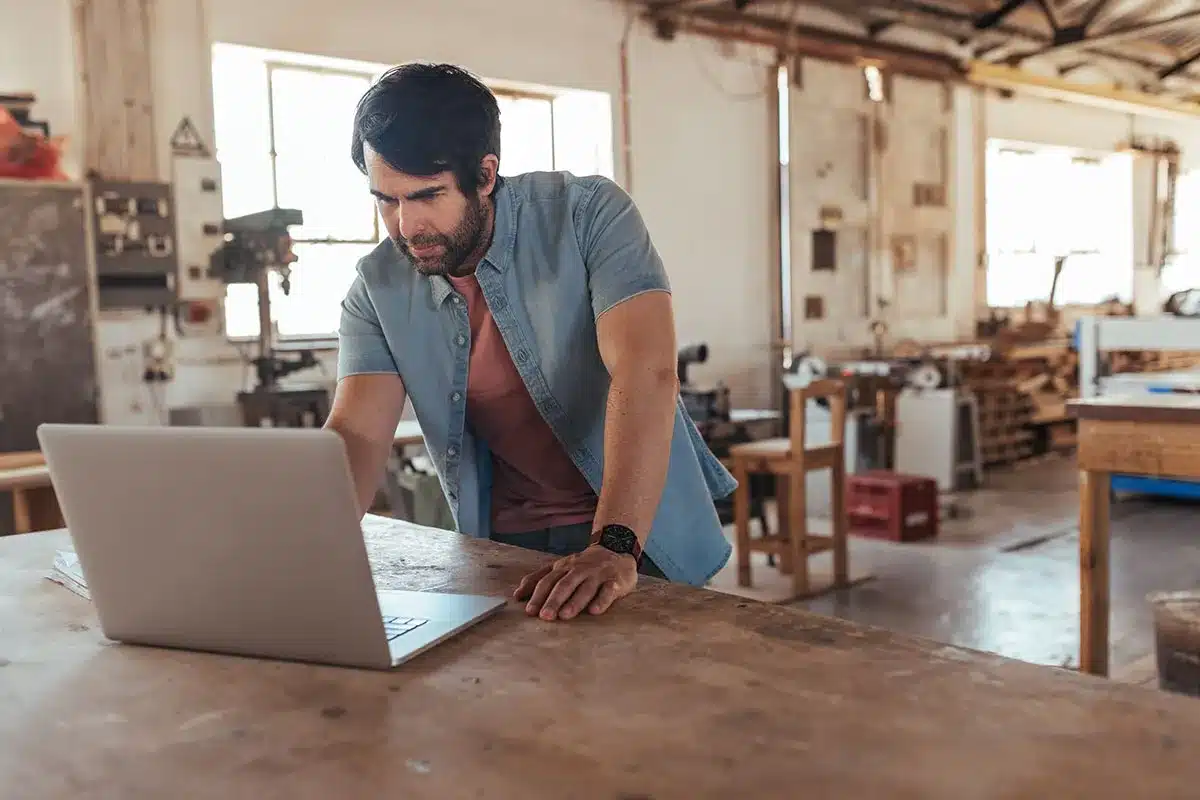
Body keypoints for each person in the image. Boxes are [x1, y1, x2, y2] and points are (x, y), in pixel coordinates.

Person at [325, 62, 735, 622]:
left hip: (638, 536)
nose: (405, 225)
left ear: (486, 175)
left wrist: (614, 546)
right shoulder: (377, 287)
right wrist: (304, 553)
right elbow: (356, 434)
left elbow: (646, 370)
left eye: (427, 196)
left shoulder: (590, 215)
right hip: (507, 549)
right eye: (386, 201)